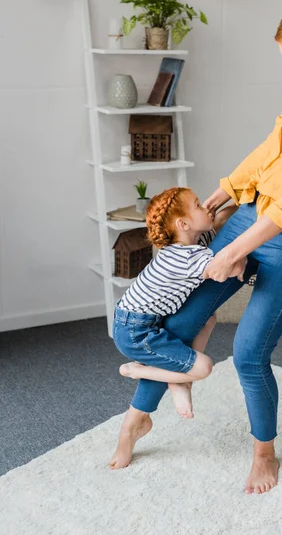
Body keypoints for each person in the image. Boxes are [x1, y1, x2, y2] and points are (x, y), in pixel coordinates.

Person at [110, 3, 282, 494]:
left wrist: (233, 252)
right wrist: (231, 187)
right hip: (250, 214)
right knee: (181, 325)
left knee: (249, 351)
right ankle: (137, 419)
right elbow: (271, 147)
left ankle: (264, 454)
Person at [110, 187, 244, 469]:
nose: (205, 207)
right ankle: (143, 372)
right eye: (197, 205)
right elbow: (227, 267)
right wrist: (241, 260)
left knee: (208, 319)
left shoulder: (189, 242)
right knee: (203, 368)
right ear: (183, 224)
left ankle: (177, 380)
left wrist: (243, 201)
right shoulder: (186, 258)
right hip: (136, 332)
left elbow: (221, 219)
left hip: (139, 320)